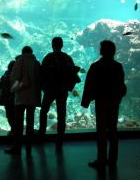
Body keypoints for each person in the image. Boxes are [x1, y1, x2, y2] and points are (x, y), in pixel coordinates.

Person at [81, 40, 126, 170]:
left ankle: (101, 160)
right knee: (113, 129)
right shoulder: (118, 66)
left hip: (101, 102)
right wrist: (118, 98)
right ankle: (112, 160)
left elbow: (88, 85)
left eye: (100, 47)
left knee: (101, 131)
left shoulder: (96, 66)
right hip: (113, 102)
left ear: (102, 50)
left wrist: (85, 102)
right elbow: (121, 86)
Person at [38, 37, 78, 150]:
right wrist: (68, 88)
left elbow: (42, 75)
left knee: (44, 111)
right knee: (61, 114)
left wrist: (44, 88)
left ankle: (42, 134)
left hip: (49, 90)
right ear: (62, 45)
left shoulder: (48, 57)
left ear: (52, 45)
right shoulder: (67, 58)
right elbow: (73, 75)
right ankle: (60, 138)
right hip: (62, 90)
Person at [4, 46, 41, 155]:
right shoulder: (36, 63)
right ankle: (29, 146)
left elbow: (13, 77)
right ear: (31, 52)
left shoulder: (19, 62)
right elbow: (40, 79)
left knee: (18, 123)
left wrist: (16, 88)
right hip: (32, 98)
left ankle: (17, 147)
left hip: (20, 97)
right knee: (30, 123)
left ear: (22, 52)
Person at [0, 60, 16, 136]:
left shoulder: (4, 75)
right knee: (15, 115)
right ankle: (15, 131)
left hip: (6, 100)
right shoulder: (15, 76)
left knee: (9, 115)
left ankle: (13, 130)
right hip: (13, 99)